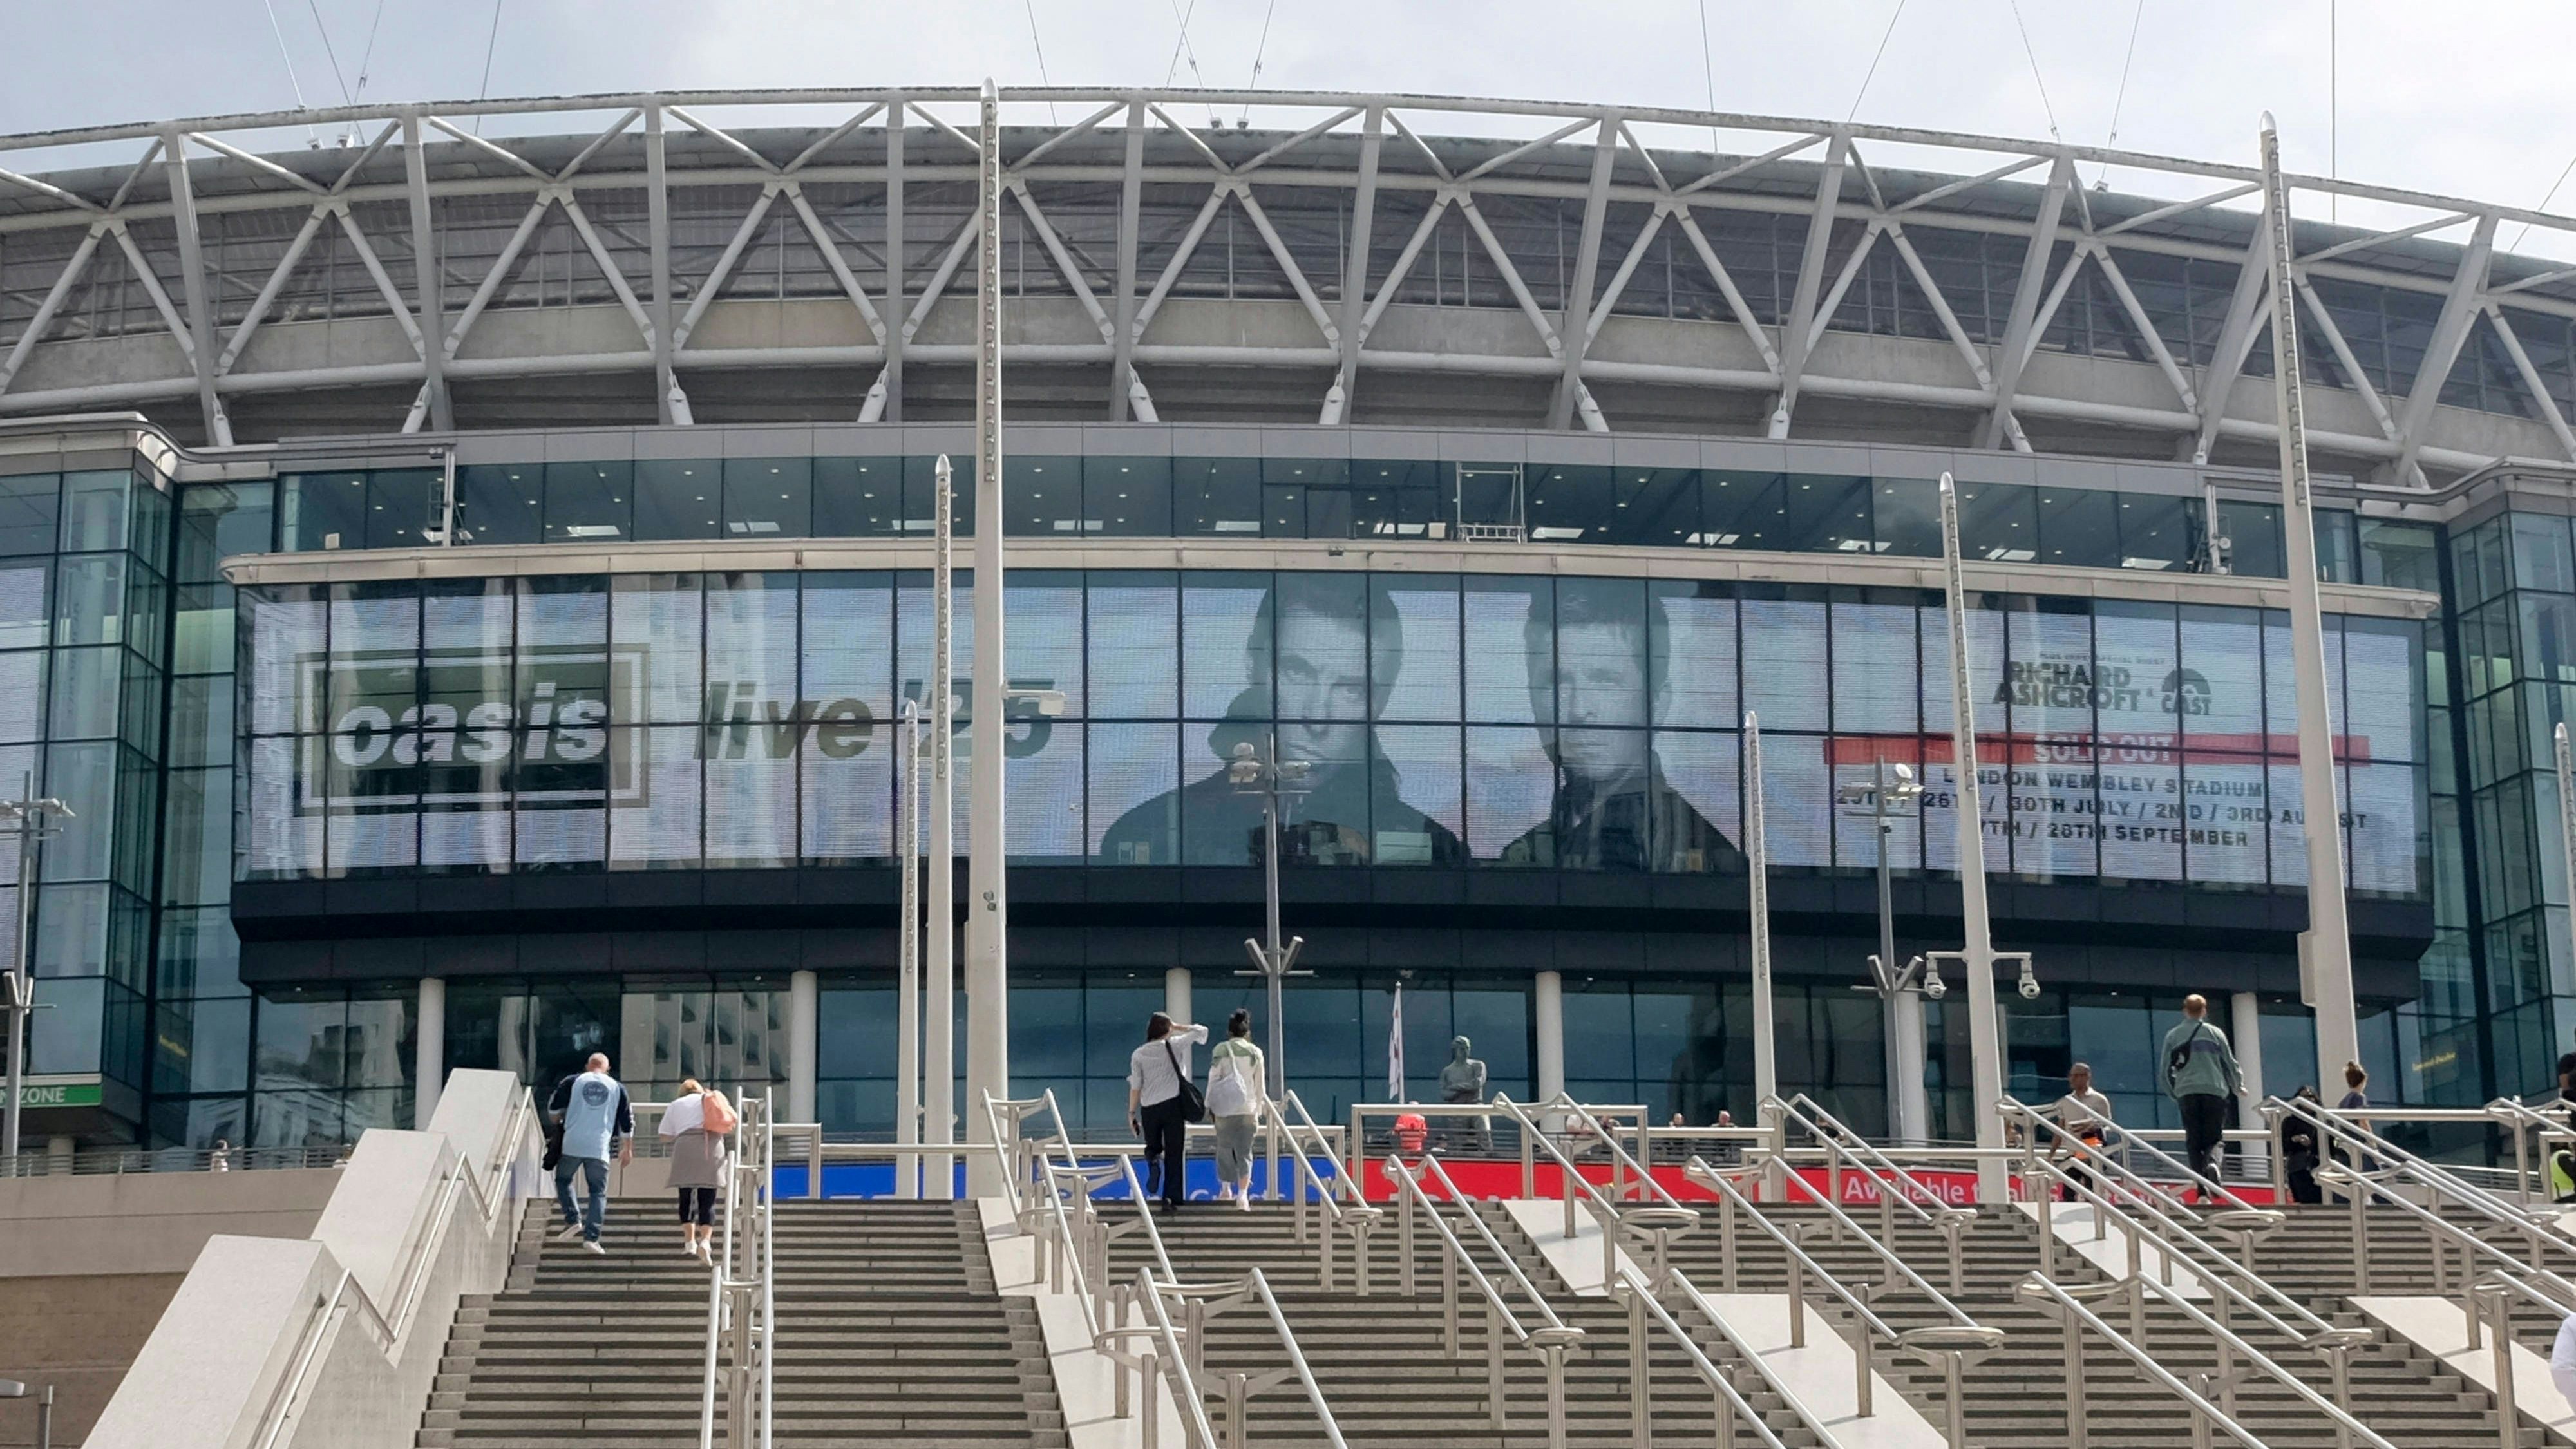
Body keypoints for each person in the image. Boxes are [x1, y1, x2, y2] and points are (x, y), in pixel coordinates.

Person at [1096, 578, 1462, 867]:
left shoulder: (1434, 849)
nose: (1316, 715)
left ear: (1380, 702)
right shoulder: (1154, 830)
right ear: (1255, 667)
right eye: (1297, 672)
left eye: (1350, 690)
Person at [1501, 585, 1742, 873]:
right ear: (1531, 696)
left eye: (1605, 680)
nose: (1579, 710)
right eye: (1557, 682)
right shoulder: (1525, 854)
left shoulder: (1708, 858)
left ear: (1657, 704)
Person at [547, 1052, 634, 1253]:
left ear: (588, 1066)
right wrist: (627, 1149)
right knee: (598, 1192)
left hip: (573, 1144)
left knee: (563, 1179)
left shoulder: (573, 1081)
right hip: (599, 1147)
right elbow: (627, 1122)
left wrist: (562, 1121)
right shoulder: (617, 1088)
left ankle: (573, 1219)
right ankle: (591, 1239)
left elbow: (553, 1111)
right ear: (607, 1068)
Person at [2160, 994, 2242, 1202]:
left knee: (2194, 1141)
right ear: (2204, 1011)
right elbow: (2230, 1063)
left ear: (2184, 1010)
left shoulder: (2173, 1035)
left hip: (2187, 1092)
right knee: (2214, 1138)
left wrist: (2174, 1092)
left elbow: (2164, 1071)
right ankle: (2213, 1164)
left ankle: (2201, 1191)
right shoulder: (2214, 1033)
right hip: (2214, 1090)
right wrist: (2237, 1085)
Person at [1128, 1012, 1208, 1215]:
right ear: (1167, 1029)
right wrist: (1178, 1026)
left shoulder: (1138, 1054)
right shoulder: (1175, 1044)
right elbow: (1202, 1031)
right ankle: (1170, 1198)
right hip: (1173, 1106)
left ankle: (1153, 1160)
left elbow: (1136, 1086)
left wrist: (1131, 1113)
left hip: (1149, 1108)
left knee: (1153, 1146)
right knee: (1174, 1153)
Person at [659, 1079, 732, 1260]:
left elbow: (664, 1136)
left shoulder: (676, 1105)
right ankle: (706, 1242)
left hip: (685, 1147)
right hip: (712, 1146)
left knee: (686, 1196)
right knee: (707, 1198)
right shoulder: (713, 1099)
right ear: (700, 1090)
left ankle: (690, 1243)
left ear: (682, 1092)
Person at [1206, 1009, 1267, 1211]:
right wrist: (1259, 1108)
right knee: (1245, 1152)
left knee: (1224, 1148)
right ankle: (1243, 1196)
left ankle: (1225, 1190)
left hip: (1224, 1109)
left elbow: (1213, 1080)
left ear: (1229, 1032)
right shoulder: (1255, 1053)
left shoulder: (1220, 1050)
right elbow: (1260, 1086)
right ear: (1247, 1031)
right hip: (1248, 1108)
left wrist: (1209, 1105)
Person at [2052, 1063, 2116, 1200]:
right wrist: (2051, 1154)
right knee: (2068, 1193)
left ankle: (2095, 1217)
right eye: (2072, 1076)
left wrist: (2091, 1125)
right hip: (2072, 1152)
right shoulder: (2066, 1101)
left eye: (2079, 1075)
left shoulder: (2099, 1100)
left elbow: (2108, 1124)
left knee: (2091, 1190)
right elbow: (2059, 1129)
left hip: (2092, 1150)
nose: (2074, 1079)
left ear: (2087, 1077)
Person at [2282, 1085, 2325, 1204]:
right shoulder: (2291, 1121)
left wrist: (2313, 1144)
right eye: (2304, 1097)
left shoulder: (2324, 1120)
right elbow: (2282, 1146)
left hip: (2320, 1166)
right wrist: (2294, 1139)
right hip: (2299, 1166)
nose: (2309, 1100)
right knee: (2305, 1200)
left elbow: (2331, 1144)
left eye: (2311, 1096)